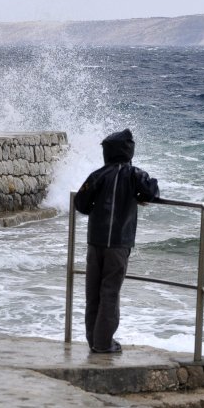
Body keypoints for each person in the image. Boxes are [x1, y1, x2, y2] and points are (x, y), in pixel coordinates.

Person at [73, 129, 159, 354]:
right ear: (129, 151)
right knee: (110, 292)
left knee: (92, 292)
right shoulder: (134, 175)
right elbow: (151, 192)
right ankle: (104, 343)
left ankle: (93, 340)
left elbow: (81, 203)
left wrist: (95, 207)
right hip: (119, 243)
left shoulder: (97, 175)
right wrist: (138, 197)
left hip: (95, 242)